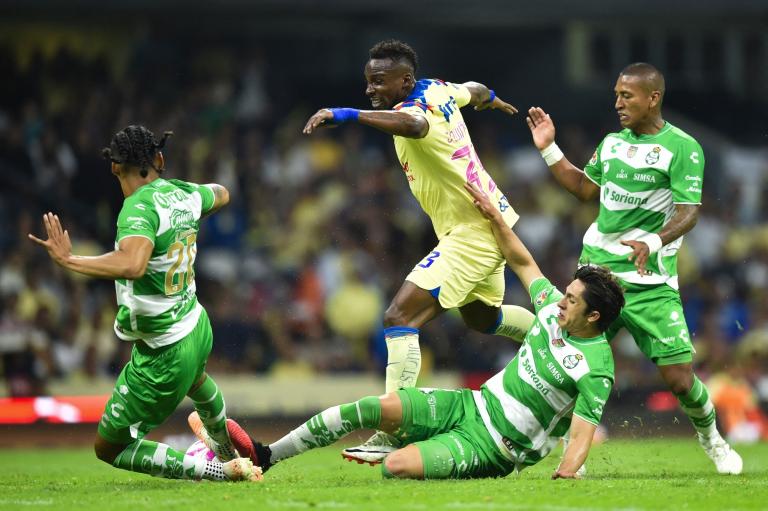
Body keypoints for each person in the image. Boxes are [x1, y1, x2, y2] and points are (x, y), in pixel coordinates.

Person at [200, 182, 624, 480]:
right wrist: (495, 217)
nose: (561, 301)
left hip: (495, 447)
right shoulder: (552, 309)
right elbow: (523, 260)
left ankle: (432, 446)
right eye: (565, 293)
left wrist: (567, 474)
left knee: (395, 467)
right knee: (371, 406)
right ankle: (268, 454)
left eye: (572, 300)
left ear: (593, 318)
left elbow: (584, 431)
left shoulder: (597, 366)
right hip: (471, 406)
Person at [302, 39, 535, 463]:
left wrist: (348, 115)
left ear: (405, 81)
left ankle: (393, 429)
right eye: (367, 83)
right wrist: (494, 100)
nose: (370, 89)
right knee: (483, 317)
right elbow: (475, 90)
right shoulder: (441, 88)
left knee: (398, 316)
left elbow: (413, 127)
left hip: (472, 233)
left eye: (378, 82)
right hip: (486, 223)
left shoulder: (416, 109)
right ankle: (551, 337)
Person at [525, 63, 742, 474]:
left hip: (650, 281)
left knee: (679, 379)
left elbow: (689, 211)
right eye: (616, 95)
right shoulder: (610, 143)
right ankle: (574, 452)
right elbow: (584, 189)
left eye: (627, 96)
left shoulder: (683, 147)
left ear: (653, 98)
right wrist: (549, 148)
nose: (618, 103)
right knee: (569, 362)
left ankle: (712, 438)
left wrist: (654, 240)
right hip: (597, 278)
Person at [28, 125, 260, 482]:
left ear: (114, 167)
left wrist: (71, 260)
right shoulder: (182, 193)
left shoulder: (137, 208)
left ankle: (220, 469)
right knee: (197, 380)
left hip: (164, 350)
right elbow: (222, 193)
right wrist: (187, 216)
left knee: (110, 447)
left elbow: (133, 264)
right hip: (196, 324)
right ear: (160, 160)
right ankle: (228, 450)